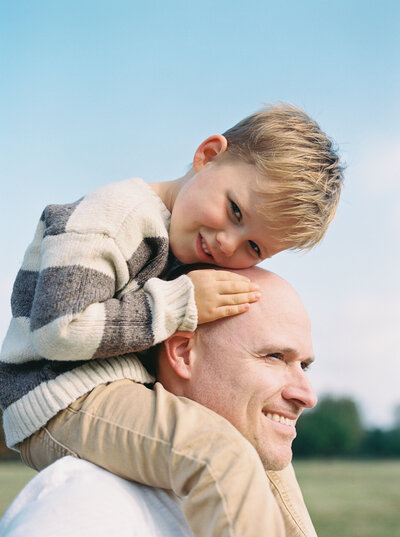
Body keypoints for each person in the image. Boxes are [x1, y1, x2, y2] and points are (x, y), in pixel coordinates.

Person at [0, 104, 342, 536]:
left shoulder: (186, 244)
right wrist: (178, 303)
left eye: (254, 248)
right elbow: (58, 329)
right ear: (208, 155)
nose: (226, 244)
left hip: (119, 388)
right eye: (235, 211)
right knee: (220, 453)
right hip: (58, 396)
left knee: (266, 455)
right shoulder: (112, 216)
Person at [0, 268, 318, 537]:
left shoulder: (252, 499)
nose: (307, 396)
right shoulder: (82, 513)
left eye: (304, 366)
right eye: (275, 356)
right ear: (183, 355)